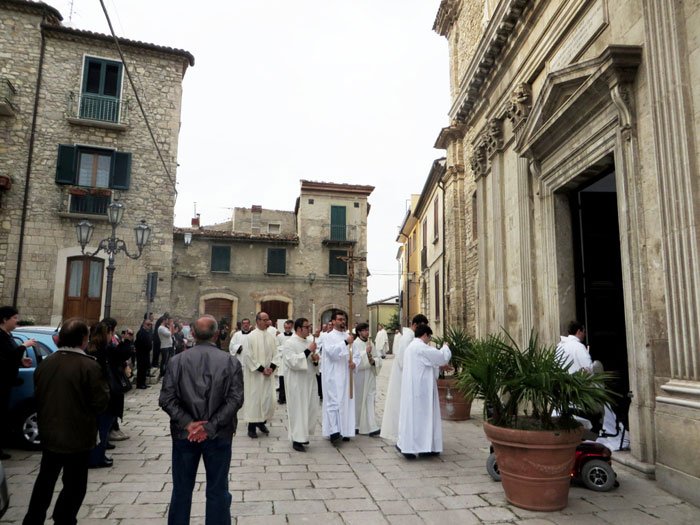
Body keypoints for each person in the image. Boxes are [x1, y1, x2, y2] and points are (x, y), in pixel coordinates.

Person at [23, 318, 109, 525]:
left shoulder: (46, 363)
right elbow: (101, 401)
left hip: (50, 432)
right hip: (78, 436)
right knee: (75, 485)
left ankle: (33, 519)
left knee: (45, 480)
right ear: (83, 339)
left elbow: (39, 394)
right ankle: (64, 518)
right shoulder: (89, 366)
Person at [159, 315, 243, 525]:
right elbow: (235, 400)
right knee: (218, 489)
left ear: (193, 334)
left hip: (184, 435)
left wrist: (188, 424)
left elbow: (166, 398)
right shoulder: (230, 362)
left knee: (181, 490)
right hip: (219, 434)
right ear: (217, 334)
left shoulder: (176, 361)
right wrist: (210, 427)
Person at [396, 324, 451, 458]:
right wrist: (446, 347)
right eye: (429, 337)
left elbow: (426, 363)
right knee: (424, 417)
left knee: (414, 418)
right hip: (422, 390)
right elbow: (442, 357)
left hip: (413, 389)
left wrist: (438, 367)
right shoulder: (421, 347)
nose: (429, 341)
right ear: (425, 335)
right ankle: (422, 447)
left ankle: (414, 446)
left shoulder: (411, 348)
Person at [88, 321, 133, 467]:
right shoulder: (104, 351)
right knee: (102, 427)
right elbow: (121, 355)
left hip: (100, 392)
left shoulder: (95, 349)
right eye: (110, 333)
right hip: (106, 393)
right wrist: (126, 342)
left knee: (101, 427)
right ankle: (97, 457)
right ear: (105, 335)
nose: (112, 335)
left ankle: (99, 455)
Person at [380, 314, 428, 442]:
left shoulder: (413, 337)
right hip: (403, 376)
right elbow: (402, 359)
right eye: (422, 326)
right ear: (415, 325)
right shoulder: (408, 337)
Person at [321, 312, 362, 444]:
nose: (342, 321)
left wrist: (354, 363)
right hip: (333, 374)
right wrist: (345, 343)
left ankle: (345, 430)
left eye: (344, 319)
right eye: (339, 319)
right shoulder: (328, 337)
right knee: (333, 402)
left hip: (346, 374)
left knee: (346, 402)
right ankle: (334, 431)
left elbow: (356, 354)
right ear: (333, 321)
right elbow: (331, 353)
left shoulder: (348, 336)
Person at [0, 306, 35, 460]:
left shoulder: (8, 336)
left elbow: (10, 358)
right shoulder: (0, 337)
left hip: (8, 382)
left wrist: (21, 361)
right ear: (4, 319)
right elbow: (3, 360)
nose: (17, 320)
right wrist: (24, 346)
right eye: (14, 317)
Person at [281, 318, 320, 451]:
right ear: (298, 329)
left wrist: (316, 361)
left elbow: (314, 362)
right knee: (298, 409)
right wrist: (309, 351)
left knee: (309, 408)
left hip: (309, 380)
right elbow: (293, 362)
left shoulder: (310, 341)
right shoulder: (289, 343)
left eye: (309, 326)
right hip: (297, 381)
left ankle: (304, 436)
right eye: (307, 326)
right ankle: (297, 439)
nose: (309, 329)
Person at [243, 312, 278, 438]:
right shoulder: (250, 337)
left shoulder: (271, 336)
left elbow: (276, 353)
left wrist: (272, 367)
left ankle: (261, 422)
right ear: (257, 321)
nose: (268, 322)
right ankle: (251, 427)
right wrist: (261, 369)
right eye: (265, 320)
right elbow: (247, 355)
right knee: (255, 400)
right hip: (255, 376)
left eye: (268, 320)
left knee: (268, 399)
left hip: (268, 375)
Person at [354, 323, 382, 436]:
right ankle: (356, 425)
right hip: (359, 377)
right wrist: (365, 352)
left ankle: (372, 426)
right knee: (359, 401)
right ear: (359, 332)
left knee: (370, 398)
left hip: (370, 375)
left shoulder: (371, 343)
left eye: (367, 330)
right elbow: (355, 360)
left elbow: (377, 357)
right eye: (364, 330)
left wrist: (375, 362)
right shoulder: (355, 344)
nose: (367, 332)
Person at [276, 320, 294, 405]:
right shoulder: (279, 336)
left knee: (291, 381)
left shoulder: (294, 336)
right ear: (284, 327)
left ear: (292, 327)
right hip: (283, 360)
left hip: (291, 360)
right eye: (286, 328)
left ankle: (290, 399)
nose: (287, 329)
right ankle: (281, 398)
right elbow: (276, 347)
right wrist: (284, 349)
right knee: (282, 381)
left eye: (289, 328)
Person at [135, 318, 153, 389]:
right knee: (141, 369)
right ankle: (140, 384)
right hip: (142, 354)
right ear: (144, 324)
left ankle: (143, 382)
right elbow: (138, 343)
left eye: (150, 324)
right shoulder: (141, 332)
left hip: (146, 353)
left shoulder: (147, 332)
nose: (149, 326)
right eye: (148, 324)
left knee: (144, 368)